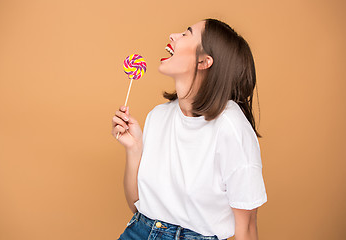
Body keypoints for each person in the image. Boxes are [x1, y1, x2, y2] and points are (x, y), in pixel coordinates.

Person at [112, 18, 268, 240]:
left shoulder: (231, 127)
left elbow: (247, 227)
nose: (172, 36)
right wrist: (134, 149)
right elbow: (139, 208)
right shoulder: (158, 116)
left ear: (204, 61)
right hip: (138, 232)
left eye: (186, 34)